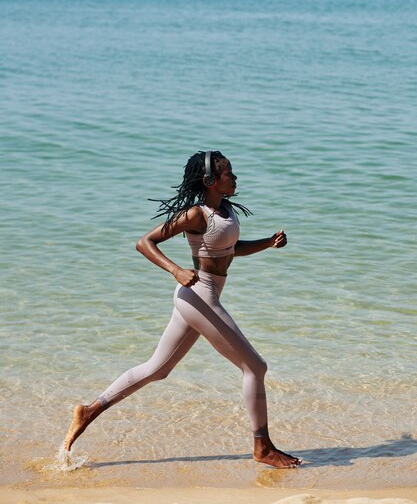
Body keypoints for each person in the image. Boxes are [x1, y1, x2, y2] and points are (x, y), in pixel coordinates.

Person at [64, 150, 300, 468]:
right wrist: (175, 270)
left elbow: (230, 250)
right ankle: (262, 447)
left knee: (157, 369)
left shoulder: (226, 210)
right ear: (210, 181)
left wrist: (267, 243)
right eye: (229, 173)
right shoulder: (195, 214)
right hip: (198, 296)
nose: (235, 177)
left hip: (197, 299)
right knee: (255, 368)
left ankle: (89, 410)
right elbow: (145, 242)